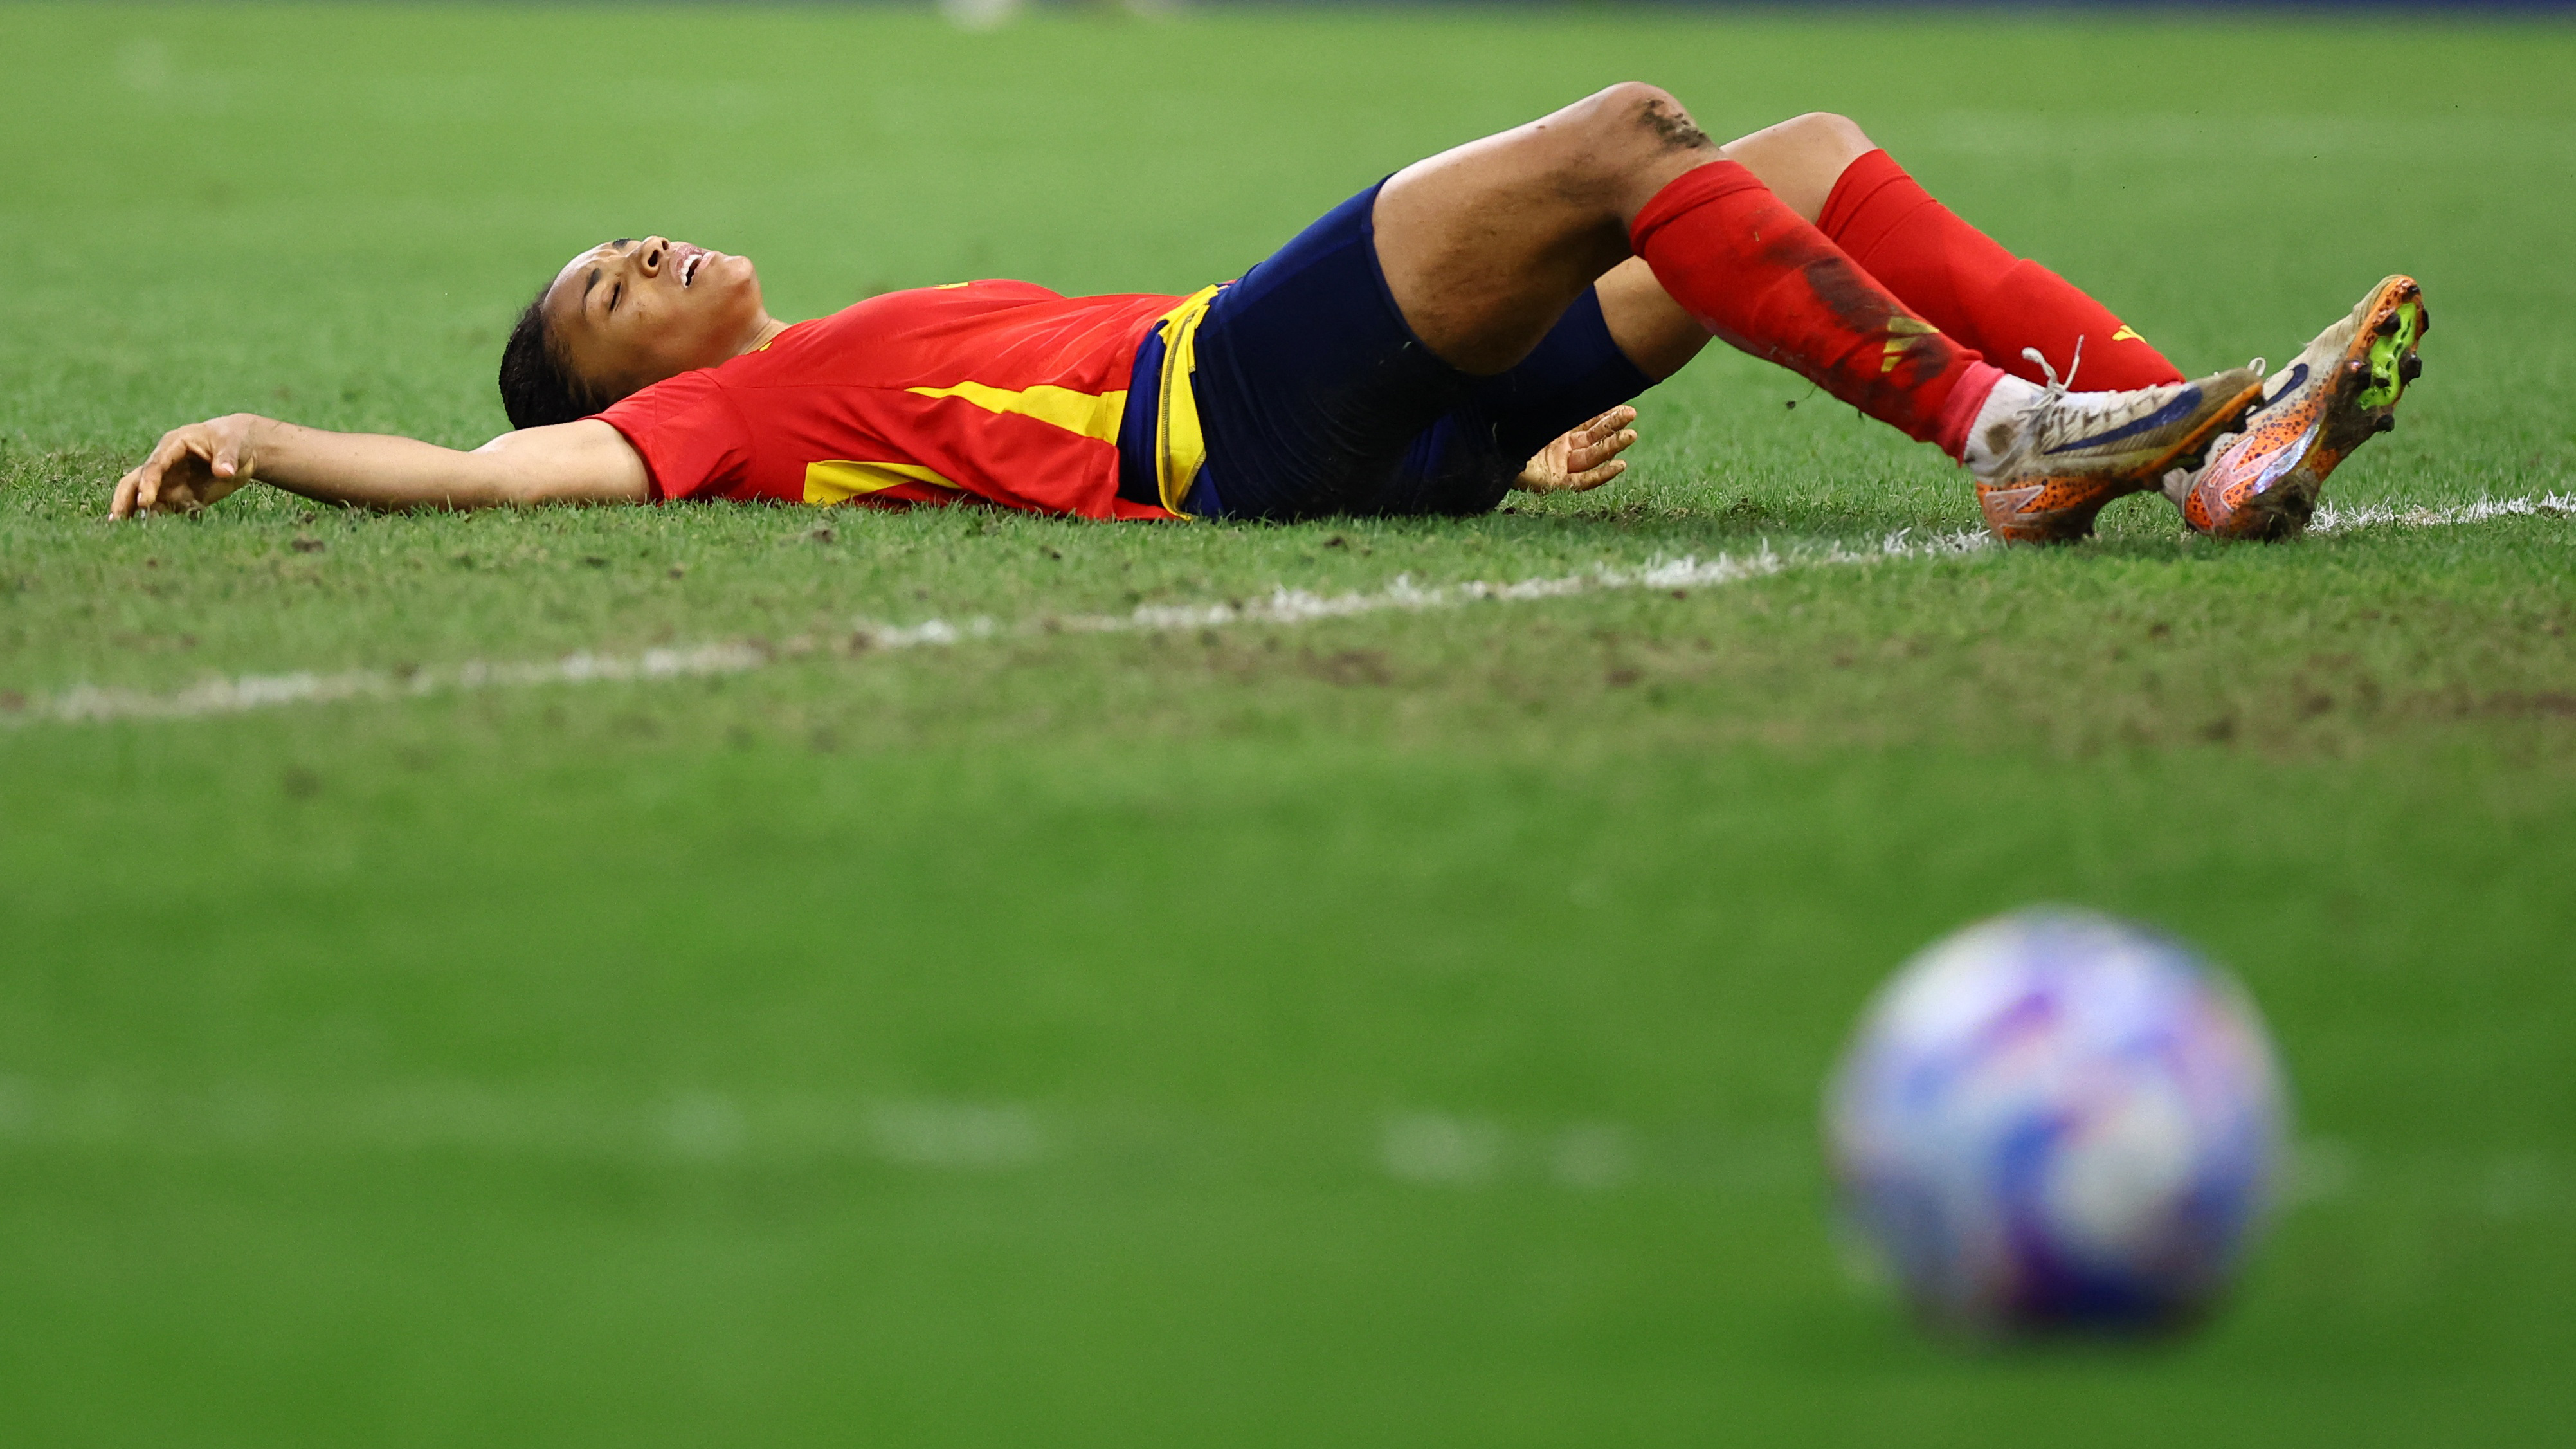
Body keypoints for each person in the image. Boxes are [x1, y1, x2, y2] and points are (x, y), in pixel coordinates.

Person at [107, 89, 2425, 543]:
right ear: (634, 386)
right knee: (1630, 137)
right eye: (596, 299)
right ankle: (2012, 438)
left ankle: (2172, 433)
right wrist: (264, 434)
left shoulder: (830, 356)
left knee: (1792, 164)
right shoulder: (713, 433)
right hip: (1232, 405)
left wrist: (1491, 434)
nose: (630, 256)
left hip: (1367, 428)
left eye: (611, 237)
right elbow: (489, 467)